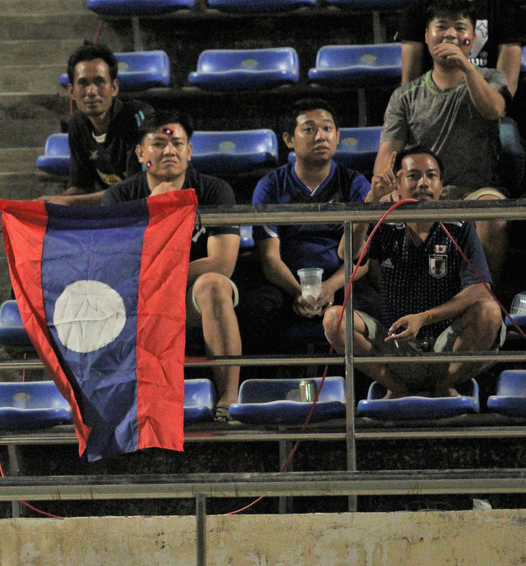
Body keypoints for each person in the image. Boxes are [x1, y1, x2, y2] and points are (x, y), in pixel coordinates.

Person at [324, 146, 505, 399]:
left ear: (441, 186)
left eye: (431, 176)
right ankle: (396, 388)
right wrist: (370, 202)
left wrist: (425, 317)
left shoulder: (460, 225)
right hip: (395, 346)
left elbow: (479, 289)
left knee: (490, 310)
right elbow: (348, 254)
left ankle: (446, 384)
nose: (423, 183)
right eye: (413, 176)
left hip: (448, 346)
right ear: (397, 184)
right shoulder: (385, 223)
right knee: (334, 319)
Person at [102, 110, 241, 420]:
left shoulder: (215, 191)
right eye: (158, 144)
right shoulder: (119, 197)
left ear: (189, 151)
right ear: (141, 153)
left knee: (215, 284)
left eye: (177, 144)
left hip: (190, 293)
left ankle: (229, 397)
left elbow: (222, 263)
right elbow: (121, 268)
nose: (169, 151)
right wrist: (156, 211)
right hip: (140, 298)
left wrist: (158, 273)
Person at [376, 0, 513, 282]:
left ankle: (485, 300)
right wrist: (386, 186)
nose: (450, 34)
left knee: (494, 217)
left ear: (472, 39)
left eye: (460, 28)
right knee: (382, 216)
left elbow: (494, 110)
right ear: (426, 36)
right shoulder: (405, 96)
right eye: (441, 27)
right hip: (423, 193)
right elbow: (387, 153)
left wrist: (466, 66)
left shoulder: (491, 78)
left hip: (478, 189)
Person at [244, 99, 374, 349]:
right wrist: (298, 292)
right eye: (309, 129)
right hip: (287, 285)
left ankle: (367, 386)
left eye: (327, 129)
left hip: (341, 283)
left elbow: (362, 260)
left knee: (376, 309)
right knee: (256, 311)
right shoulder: (270, 186)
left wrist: (329, 287)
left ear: (338, 136)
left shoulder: (355, 185)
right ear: (289, 140)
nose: (320, 136)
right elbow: (270, 258)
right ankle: (263, 384)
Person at [398, 0, 525, 196]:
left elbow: (507, 84)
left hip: (486, 107)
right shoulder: (419, 8)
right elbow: (409, 78)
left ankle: (509, 206)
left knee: (509, 144)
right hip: (430, 106)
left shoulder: (502, 7)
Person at [39, 42, 153, 207]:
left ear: (114, 88)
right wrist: (50, 203)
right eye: (83, 83)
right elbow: (81, 186)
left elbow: (136, 190)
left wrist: (69, 202)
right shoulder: (77, 124)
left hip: (154, 216)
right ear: (71, 91)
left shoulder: (139, 118)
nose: (91, 91)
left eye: (99, 82)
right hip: (114, 214)